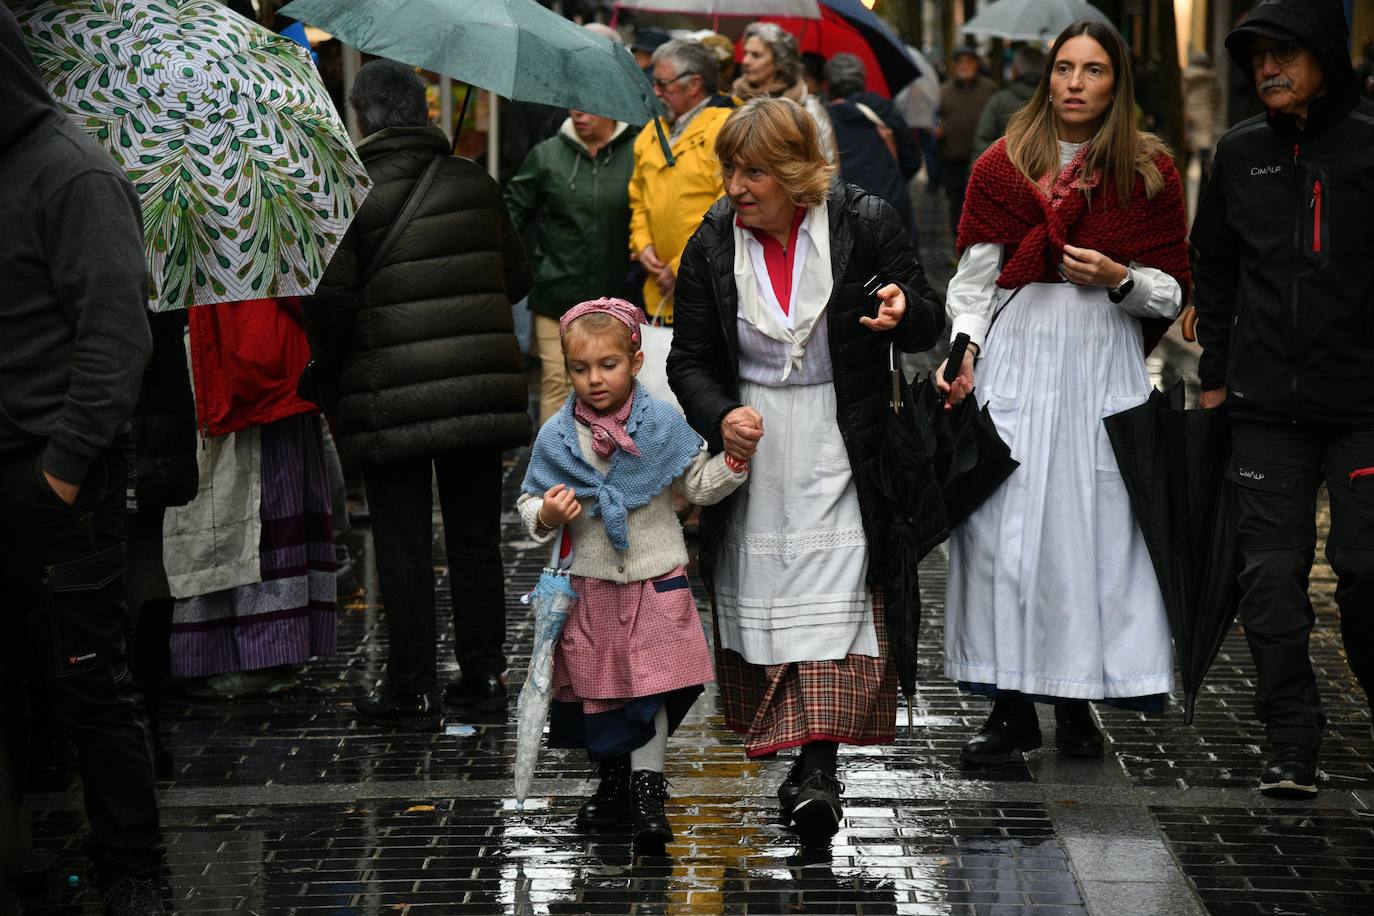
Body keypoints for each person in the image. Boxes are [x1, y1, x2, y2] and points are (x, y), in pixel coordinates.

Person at [667, 98, 944, 838]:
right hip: (755, 444)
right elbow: (687, 358)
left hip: (842, 436)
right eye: (730, 169)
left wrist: (901, 311)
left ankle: (817, 768)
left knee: (839, 598)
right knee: (765, 598)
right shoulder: (712, 243)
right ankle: (798, 756)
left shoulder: (865, 222)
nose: (735, 186)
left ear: (795, 175)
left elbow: (929, 315)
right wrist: (719, 413)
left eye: (753, 171)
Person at [940, 21, 1190, 767]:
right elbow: (974, 281)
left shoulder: (1148, 171)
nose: (1076, 82)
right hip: (1018, 359)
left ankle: (1078, 700)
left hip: (1098, 367)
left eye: (1095, 69)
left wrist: (1118, 278)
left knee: (1090, 535)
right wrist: (963, 347)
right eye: (1065, 68)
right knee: (1004, 539)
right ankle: (1011, 706)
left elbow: (1171, 289)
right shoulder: (1001, 165)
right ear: (1047, 77)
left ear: (1117, 83)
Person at [304, 60, 532, 727]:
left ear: (363, 116)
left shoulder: (348, 189)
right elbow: (515, 278)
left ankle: (413, 687)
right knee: (474, 536)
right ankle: (485, 678)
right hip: (477, 392)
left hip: (387, 392)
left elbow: (332, 300)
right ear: (424, 108)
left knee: (402, 541)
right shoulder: (476, 182)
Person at [0, 7, 164, 912]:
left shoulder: (73, 171)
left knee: (89, 681)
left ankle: (134, 867)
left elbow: (114, 339)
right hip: (24, 464)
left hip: (61, 475)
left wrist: (59, 469)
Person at [1191, 0, 1374, 798]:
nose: (1269, 68)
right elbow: (1216, 273)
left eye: (1287, 54)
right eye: (1259, 56)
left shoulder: (1369, 145)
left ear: (1326, 58)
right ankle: (1291, 738)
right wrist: (1215, 378)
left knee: (1366, 571)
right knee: (1268, 575)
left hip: (1364, 406)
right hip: (1265, 408)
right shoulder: (1239, 154)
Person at [517, 298, 748, 851]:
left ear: (635, 362)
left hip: (655, 579)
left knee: (652, 689)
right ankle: (614, 779)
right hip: (592, 585)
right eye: (580, 369)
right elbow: (529, 503)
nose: (594, 379)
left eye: (608, 365)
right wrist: (548, 513)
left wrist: (733, 464)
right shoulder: (557, 436)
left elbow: (693, 485)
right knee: (604, 692)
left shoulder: (663, 424)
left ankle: (648, 791)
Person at [506, 108, 637, 425]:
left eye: (590, 106)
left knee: (614, 388)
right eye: (573, 105)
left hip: (618, 297)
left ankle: (609, 467)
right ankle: (555, 468)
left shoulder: (639, 152)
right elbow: (509, 215)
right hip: (557, 294)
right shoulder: (547, 154)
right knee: (557, 381)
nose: (578, 112)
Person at [630, 39, 736, 323]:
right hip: (655, 290)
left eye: (663, 84)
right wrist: (643, 246)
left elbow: (728, 208)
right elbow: (638, 199)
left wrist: (681, 267)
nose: (656, 91)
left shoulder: (726, 128)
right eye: (655, 83)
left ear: (694, 84)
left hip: (708, 287)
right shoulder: (651, 131)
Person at [824, 53, 923, 241]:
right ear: (862, 79)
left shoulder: (824, 118)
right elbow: (912, 158)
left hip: (847, 210)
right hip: (891, 203)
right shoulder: (883, 108)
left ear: (828, 83)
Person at [732, 22, 837, 163]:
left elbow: (827, 169)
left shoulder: (809, 110)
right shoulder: (731, 100)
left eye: (756, 55)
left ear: (779, 61)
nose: (745, 61)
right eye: (745, 53)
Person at [936, 48, 998, 242]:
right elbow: (936, 120)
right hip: (952, 159)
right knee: (956, 204)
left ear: (976, 65)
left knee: (983, 205)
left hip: (984, 160)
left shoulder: (990, 89)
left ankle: (982, 244)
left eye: (968, 62)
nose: (964, 66)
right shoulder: (944, 91)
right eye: (960, 62)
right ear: (954, 66)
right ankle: (959, 245)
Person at [971, 45, 1046, 161]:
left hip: (1004, 173)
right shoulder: (1054, 101)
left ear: (1015, 71)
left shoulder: (999, 101)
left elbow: (982, 143)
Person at [1180, 49, 1223, 203]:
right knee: (1204, 152)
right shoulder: (1212, 78)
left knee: (1188, 151)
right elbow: (1218, 99)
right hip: (1206, 116)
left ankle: (1183, 179)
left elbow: (1182, 96)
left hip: (1189, 116)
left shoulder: (1186, 77)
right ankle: (1204, 188)